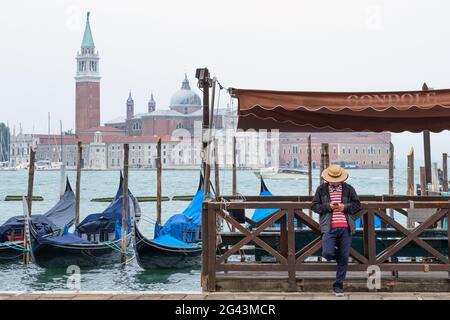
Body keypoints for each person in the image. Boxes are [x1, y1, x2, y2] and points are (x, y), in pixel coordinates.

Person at [311, 164, 361, 297]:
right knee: (327, 253)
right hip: (329, 227)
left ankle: (338, 286)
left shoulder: (349, 189)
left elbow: (357, 205)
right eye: (332, 179)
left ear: (342, 178)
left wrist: (345, 207)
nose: (334, 181)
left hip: (346, 227)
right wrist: (328, 206)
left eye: (337, 179)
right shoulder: (321, 189)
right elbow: (314, 206)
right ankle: (342, 257)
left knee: (344, 258)